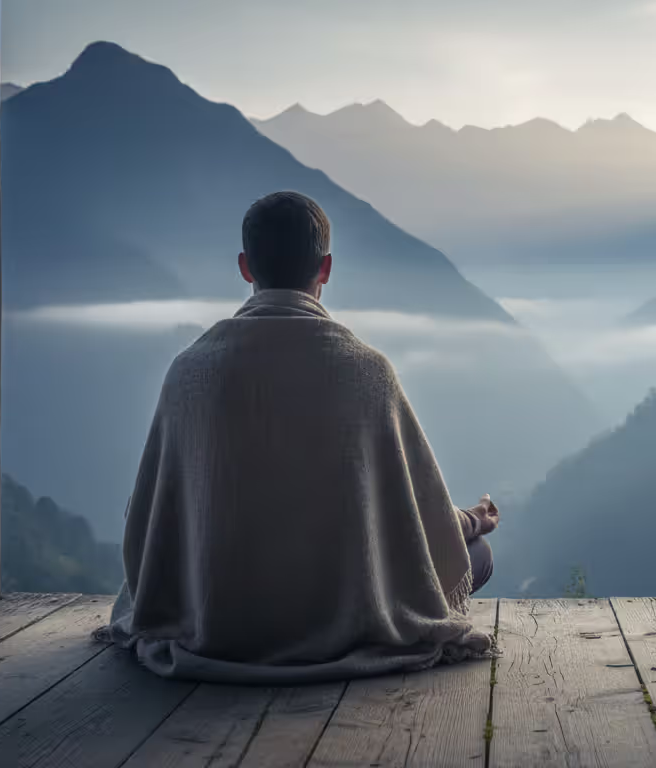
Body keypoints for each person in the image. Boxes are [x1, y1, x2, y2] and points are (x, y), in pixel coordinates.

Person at [102, 191, 498, 683]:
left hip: (218, 621)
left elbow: (148, 520)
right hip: (348, 617)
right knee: (476, 558)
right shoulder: (368, 371)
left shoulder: (189, 371)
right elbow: (419, 518)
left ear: (246, 266)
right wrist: (473, 522)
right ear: (326, 268)